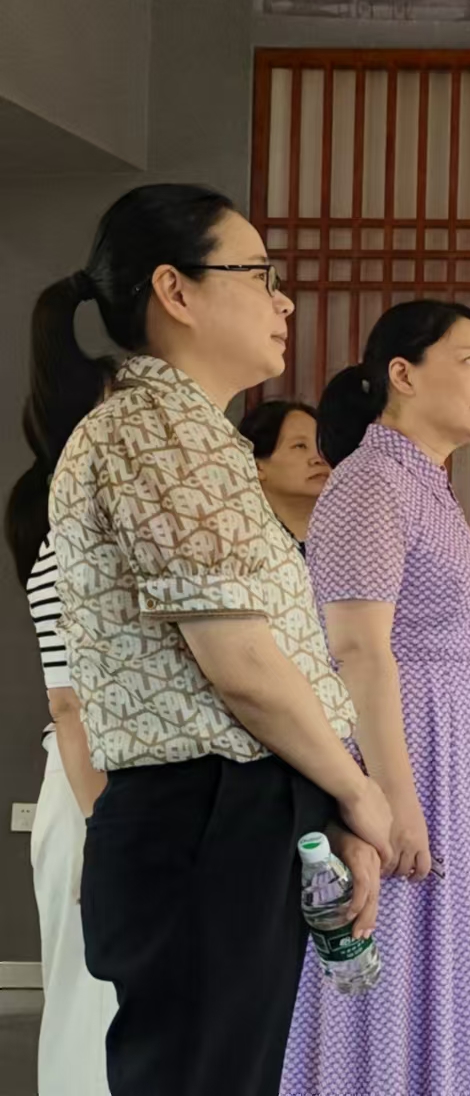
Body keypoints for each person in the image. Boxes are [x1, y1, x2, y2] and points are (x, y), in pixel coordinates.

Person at [33, 184, 391, 1096]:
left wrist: (328, 801)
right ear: (176, 290)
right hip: (202, 814)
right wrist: (361, 793)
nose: (284, 301)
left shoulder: (200, 437)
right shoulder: (153, 431)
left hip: (232, 810)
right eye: (259, 275)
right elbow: (244, 667)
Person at [282, 300, 470, 1096]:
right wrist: (393, 795)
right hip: (404, 751)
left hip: (448, 748)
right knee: (386, 961)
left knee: (436, 955)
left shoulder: (425, 485)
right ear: (402, 374)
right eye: (469, 359)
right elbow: (356, 647)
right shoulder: (371, 481)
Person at [6, 346, 117, 1096]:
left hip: (106, 790)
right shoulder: (67, 541)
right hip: (92, 789)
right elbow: (69, 702)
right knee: (92, 1008)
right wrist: (106, 823)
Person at [239, 400, 329, 548]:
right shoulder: (240, 542)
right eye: (300, 446)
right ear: (257, 467)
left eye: (323, 445)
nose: (319, 459)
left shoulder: (351, 538)